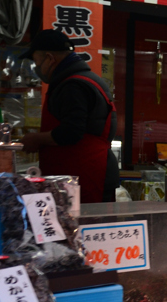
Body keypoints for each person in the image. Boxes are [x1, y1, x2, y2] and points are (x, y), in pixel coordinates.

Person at [19, 29, 120, 203]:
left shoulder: (73, 86)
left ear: (50, 58)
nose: (36, 68)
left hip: (85, 177)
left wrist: (35, 139)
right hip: (83, 174)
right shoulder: (86, 79)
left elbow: (71, 132)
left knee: (86, 220)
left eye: (36, 61)